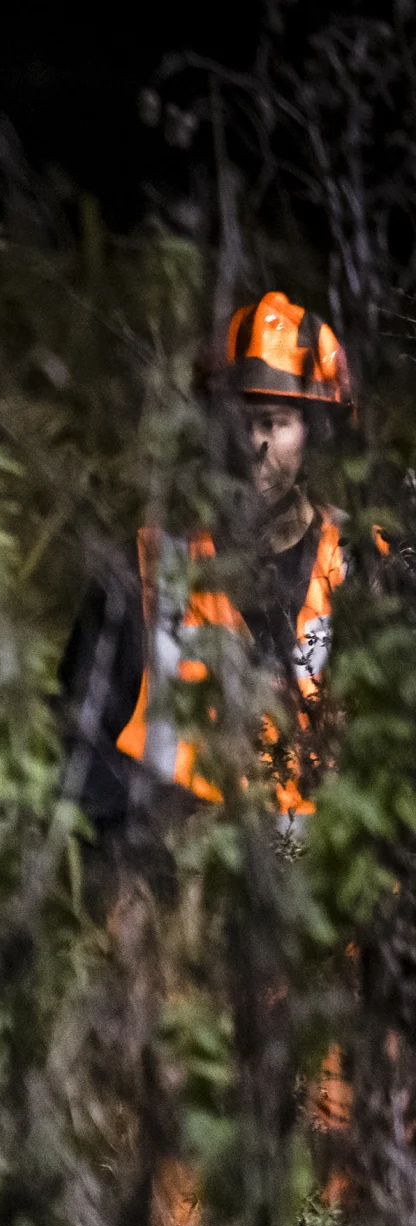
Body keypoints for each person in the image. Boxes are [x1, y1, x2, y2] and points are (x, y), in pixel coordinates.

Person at [60, 290, 375, 847]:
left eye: (275, 422)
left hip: (341, 918)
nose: (252, 443)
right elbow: (77, 757)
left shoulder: (371, 571)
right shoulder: (141, 576)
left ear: (318, 433)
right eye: (238, 421)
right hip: (183, 906)